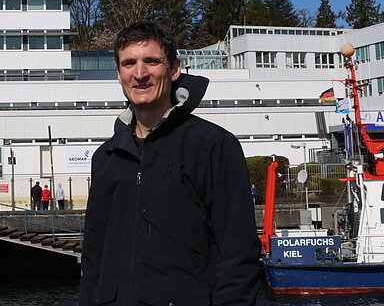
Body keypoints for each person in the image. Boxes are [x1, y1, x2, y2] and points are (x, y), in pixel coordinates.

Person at [80, 22, 260, 306]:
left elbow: (238, 256)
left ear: (174, 69)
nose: (139, 74)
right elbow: (94, 258)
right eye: (129, 63)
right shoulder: (106, 158)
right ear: (119, 74)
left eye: (151, 61)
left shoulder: (213, 146)